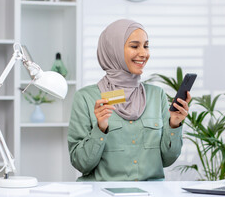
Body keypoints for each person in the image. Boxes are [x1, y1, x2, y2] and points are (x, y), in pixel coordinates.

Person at [68, 19, 191, 181]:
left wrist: (174, 125)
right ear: (113, 51)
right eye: (134, 46)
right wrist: (100, 128)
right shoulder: (86, 98)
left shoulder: (156, 95)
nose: (144, 53)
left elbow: (168, 160)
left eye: (146, 46)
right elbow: (81, 163)